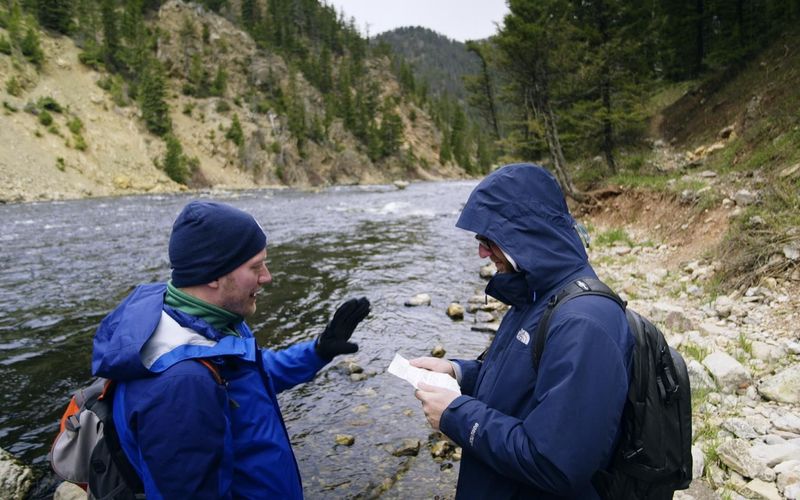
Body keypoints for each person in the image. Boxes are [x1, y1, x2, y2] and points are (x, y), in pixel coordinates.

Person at [91, 200, 370, 498]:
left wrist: (316, 352)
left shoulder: (206, 318)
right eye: (255, 266)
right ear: (213, 275)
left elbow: (249, 374)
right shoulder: (181, 386)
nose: (267, 276)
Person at [412, 163, 634, 499]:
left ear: (525, 234)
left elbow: (556, 463)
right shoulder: (536, 294)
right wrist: (458, 373)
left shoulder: (585, 323)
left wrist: (455, 414)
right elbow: (522, 382)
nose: (482, 252)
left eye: (489, 239)